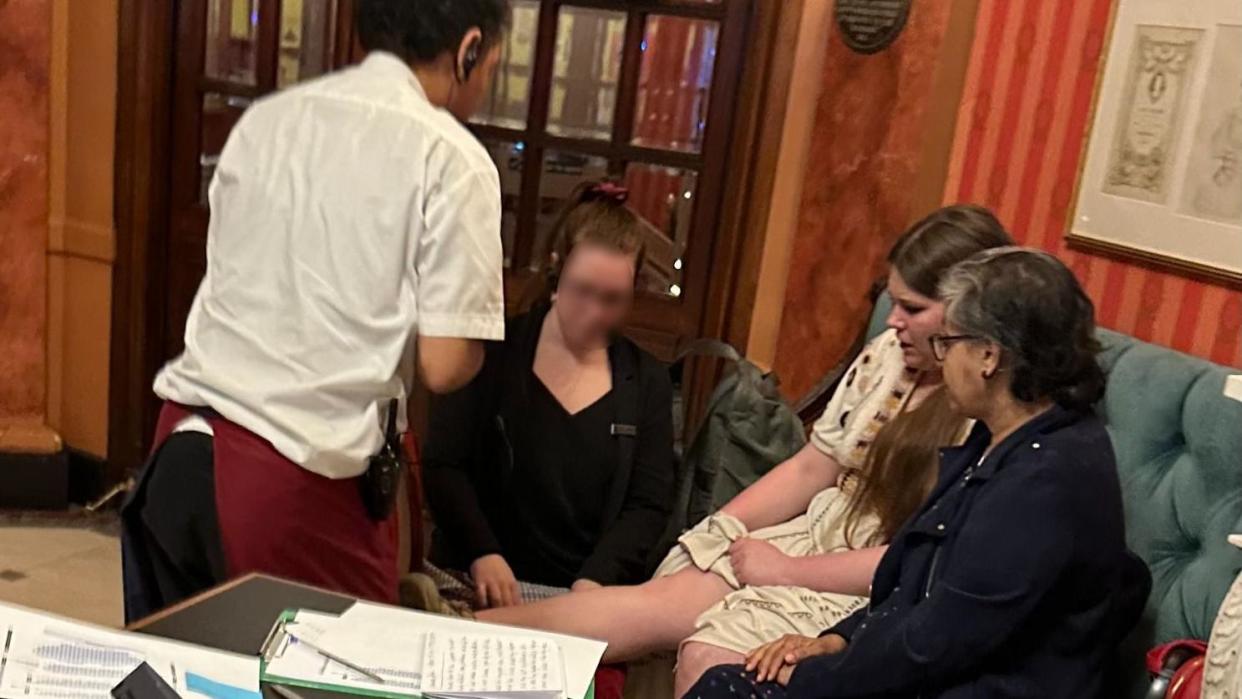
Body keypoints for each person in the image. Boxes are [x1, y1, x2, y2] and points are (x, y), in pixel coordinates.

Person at [466, 205, 1014, 696]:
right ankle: (457, 638)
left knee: (705, 654)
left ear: (966, 312)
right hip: (815, 530)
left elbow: (915, 558)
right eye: (892, 302)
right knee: (652, 604)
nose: (893, 321)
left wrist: (787, 569)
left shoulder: (983, 411)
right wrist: (724, 524)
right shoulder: (888, 356)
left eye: (912, 309)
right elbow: (811, 466)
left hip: (859, 578)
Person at [121, 0, 512, 622]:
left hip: (181, 449)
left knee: (177, 678)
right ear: (468, 49)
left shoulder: (265, 120)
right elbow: (444, 365)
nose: (487, 83)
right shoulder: (453, 159)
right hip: (287, 485)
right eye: (491, 66)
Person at [686, 248, 1152, 699]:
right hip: (935, 672)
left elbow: (936, 645)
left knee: (728, 688)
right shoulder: (998, 438)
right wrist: (837, 640)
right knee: (730, 681)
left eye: (947, 342)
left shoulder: (1046, 482)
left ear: (989, 356)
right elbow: (911, 576)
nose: (941, 357)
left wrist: (816, 677)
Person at [419, 181, 675, 607]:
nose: (595, 313)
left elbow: (647, 507)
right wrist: (484, 552)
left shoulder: (645, 381)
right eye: (583, 291)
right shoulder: (496, 352)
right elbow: (444, 464)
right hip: (475, 580)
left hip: (578, 597)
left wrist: (596, 580)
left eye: (613, 299)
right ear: (556, 274)